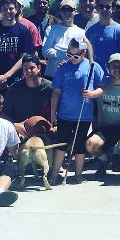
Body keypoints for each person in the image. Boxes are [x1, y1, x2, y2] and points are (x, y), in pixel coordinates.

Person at [49, 38, 105, 185]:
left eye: (76, 56)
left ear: (84, 53)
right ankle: (54, 174)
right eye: (69, 55)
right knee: (61, 144)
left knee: (80, 145)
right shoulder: (63, 67)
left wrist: (92, 94)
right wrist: (52, 113)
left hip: (84, 115)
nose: (72, 59)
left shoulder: (93, 67)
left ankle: (78, 175)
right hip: (64, 114)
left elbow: (103, 88)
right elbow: (56, 92)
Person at [0, 0, 34, 89]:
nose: (8, 12)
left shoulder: (23, 30)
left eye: (11, 8)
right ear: (0, 10)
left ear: (16, 9)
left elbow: (24, 57)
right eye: (4, 9)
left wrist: (6, 76)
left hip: (14, 79)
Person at [2, 53, 54, 129]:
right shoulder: (15, 88)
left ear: (39, 68)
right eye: (25, 68)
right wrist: (15, 125)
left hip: (45, 132)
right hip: (21, 132)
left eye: (32, 67)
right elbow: (3, 113)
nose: (28, 71)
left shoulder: (50, 88)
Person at [43, 0, 87, 79]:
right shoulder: (52, 29)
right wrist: (62, 53)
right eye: (64, 9)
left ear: (75, 11)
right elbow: (45, 51)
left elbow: (83, 55)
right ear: (60, 12)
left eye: (70, 9)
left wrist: (65, 53)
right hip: (51, 76)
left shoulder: (82, 32)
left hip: (71, 77)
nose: (67, 12)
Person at [86, 0, 120, 71]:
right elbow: (86, 56)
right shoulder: (90, 31)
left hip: (113, 77)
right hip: (93, 76)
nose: (104, 9)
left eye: (107, 7)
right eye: (101, 6)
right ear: (97, 8)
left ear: (113, 9)